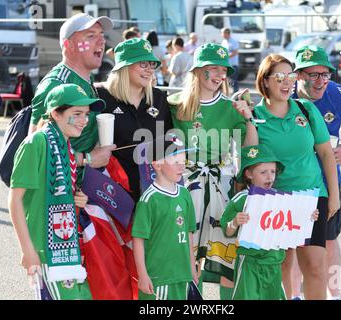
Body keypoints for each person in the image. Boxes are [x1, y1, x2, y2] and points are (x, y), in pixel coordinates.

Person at [246, 53, 340, 300]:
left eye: (290, 75)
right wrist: (247, 122)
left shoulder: (306, 109)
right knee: (282, 269)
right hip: (275, 201)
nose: (286, 82)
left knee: (316, 268)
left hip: (312, 196)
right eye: (279, 76)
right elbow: (251, 162)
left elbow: (326, 155)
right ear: (265, 81)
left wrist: (334, 197)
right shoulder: (254, 117)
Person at [168, 43, 255, 299]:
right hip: (185, 186)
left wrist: (248, 118)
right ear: (197, 71)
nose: (219, 75)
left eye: (223, 70)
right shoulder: (175, 105)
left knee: (224, 255)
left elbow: (250, 149)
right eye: (213, 68)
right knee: (187, 251)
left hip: (221, 185)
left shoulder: (231, 107)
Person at [8, 83, 106, 300]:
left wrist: (75, 200)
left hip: (64, 248)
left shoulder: (65, 145)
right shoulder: (37, 142)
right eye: (77, 114)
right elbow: (15, 201)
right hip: (45, 251)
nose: (84, 120)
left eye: (87, 114)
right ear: (56, 113)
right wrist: (27, 251)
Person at [289, 45, 341, 300]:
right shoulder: (283, 95)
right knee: (292, 245)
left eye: (326, 74)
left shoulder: (337, 93)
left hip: (327, 185)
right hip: (290, 185)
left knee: (330, 241)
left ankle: (334, 294)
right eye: (314, 75)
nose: (321, 81)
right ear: (299, 75)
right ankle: (293, 295)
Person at [221, 144, 319, 300]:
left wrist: (309, 216)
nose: (269, 176)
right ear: (249, 174)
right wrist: (235, 221)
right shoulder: (242, 199)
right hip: (249, 264)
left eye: (273, 172)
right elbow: (227, 230)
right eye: (263, 172)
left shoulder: (279, 199)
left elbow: (293, 221)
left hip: (274, 263)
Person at [29, 13, 115, 169]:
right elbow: (35, 150)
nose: (102, 41)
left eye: (102, 35)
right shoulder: (55, 84)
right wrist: (86, 159)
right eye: (91, 36)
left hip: (81, 184)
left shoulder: (85, 78)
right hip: (60, 189)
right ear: (69, 45)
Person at [97, 38, 173, 203]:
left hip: (154, 193)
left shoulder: (159, 98)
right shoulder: (101, 98)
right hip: (111, 192)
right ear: (124, 67)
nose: (150, 70)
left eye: (152, 65)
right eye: (143, 64)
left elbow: (169, 143)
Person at [132, 135, 198, 300]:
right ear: (157, 164)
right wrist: (142, 274)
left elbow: (189, 233)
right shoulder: (149, 199)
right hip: (158, 279)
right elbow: (138, 239)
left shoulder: (184, 194)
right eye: (175, 162)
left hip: (182, 275)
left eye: (183, 161)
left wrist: (192, 265)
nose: (181, 167)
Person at [221, 27, 239, 93]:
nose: (221, 35)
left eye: (222, 33)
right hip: (225, 65)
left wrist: (226, 57)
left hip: (233, 65)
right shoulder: (224, 42)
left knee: (234, 81)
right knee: (225, 80)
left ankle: (236, 96)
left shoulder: (233, 42)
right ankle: (226, 94)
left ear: (226, 33)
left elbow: (235, 52)